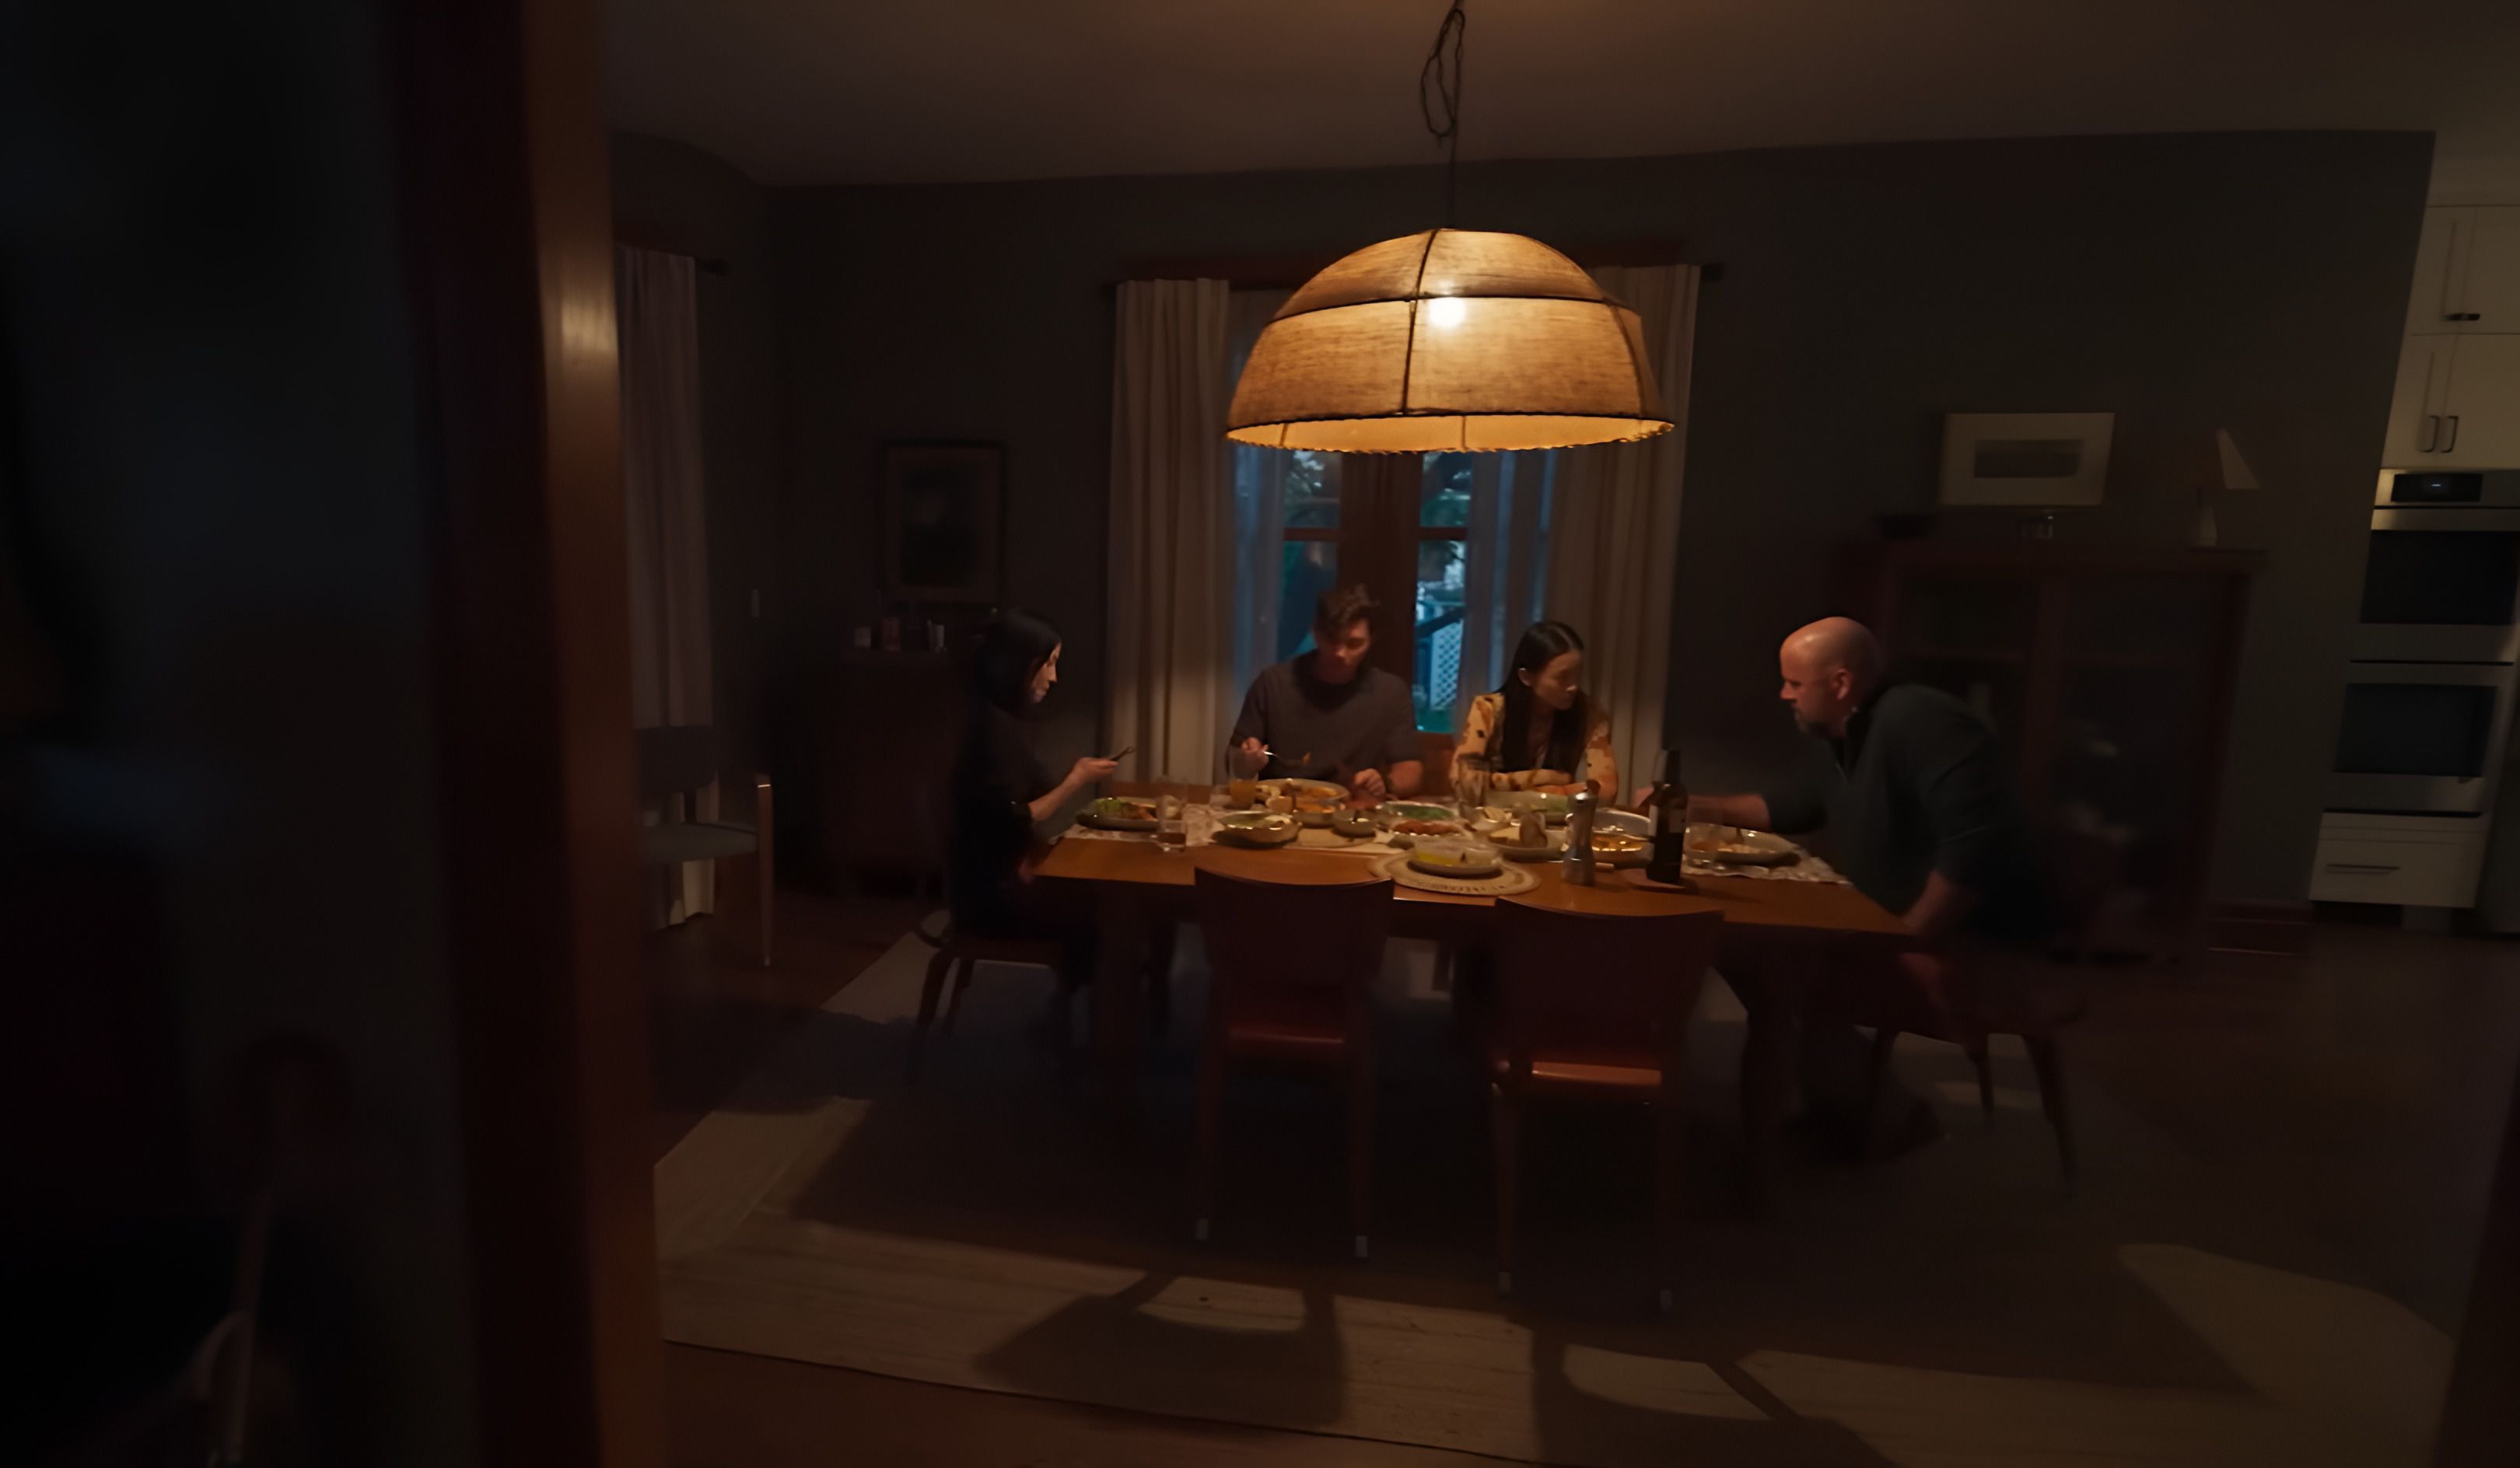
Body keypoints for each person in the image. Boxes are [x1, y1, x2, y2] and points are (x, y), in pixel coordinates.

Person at [1689, 616, 2047, 1152]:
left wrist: (1906, 937)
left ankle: (1895, 1118)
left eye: (1794, 683)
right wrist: (1698, 806)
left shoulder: (1920, 719)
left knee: (1788, 971)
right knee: (1760, 962)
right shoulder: (1838, 730)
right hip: (1881, 915)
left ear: (1840, 683)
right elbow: (1798, 804)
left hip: (1970, 935)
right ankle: (1844, 1108)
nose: (1783, 693)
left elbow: (1978, 844)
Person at [947, 610, 1115, 978]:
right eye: (1049, 663)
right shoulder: (993, 731)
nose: (1054, 677)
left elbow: (1016, 808)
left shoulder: (1001, 721)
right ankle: (1096, 1020)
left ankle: (1088, 1006)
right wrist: (1076, 780)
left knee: (1099, 894)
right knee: (1106, 908)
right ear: (1019, 664)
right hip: (991, 898)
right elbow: (1016, 816)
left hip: (1000, 877)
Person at [1229, 585, 1423, 803]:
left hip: (1351, 810)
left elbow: (1411, 769)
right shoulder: (1273, 683)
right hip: (1278, 810)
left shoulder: (1390, 692)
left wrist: (1385, 783)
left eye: (1354, 643)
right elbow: (1235, 760)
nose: (1341, 653)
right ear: (1316, 633)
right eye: (1332, 640)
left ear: (1371, 640)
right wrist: (1246, 761)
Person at [1451, 620, 1620, 798]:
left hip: (1557, 820)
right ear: (1526, 677)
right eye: (1562, 677)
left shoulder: (1589, 713)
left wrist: (1550, 791)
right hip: (1493, 818)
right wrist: (1544, 777)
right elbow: (1462, 783)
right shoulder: (1487, 709)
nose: (1573, 687)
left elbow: (1606, 790)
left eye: (1577, 675)